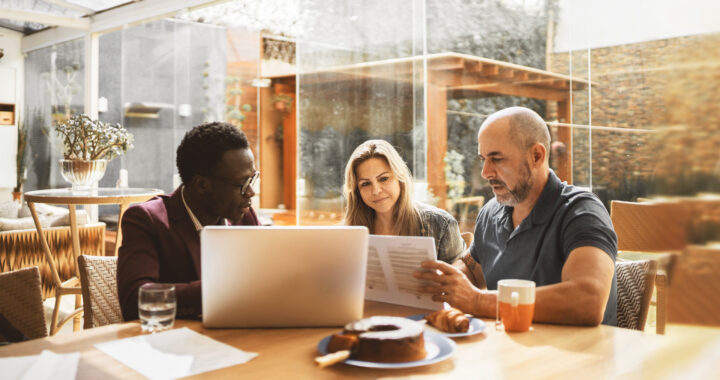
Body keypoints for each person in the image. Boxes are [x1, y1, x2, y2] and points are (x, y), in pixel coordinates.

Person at [415, 107, 618, 326]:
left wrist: (478, 301)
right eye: (483, 158)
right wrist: (436, 281)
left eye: (497, 159)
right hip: (510, 351)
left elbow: (588, 301)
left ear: (536, 156)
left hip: (579, 356)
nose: (485, 172)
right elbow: (473, 271)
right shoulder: (491, 212)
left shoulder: (582, 211)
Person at [117, 122, 261, 321]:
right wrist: (222, 288)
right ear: (202, 184)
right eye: (243, 183)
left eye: (252, 179)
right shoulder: (147, 220)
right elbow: (135, 300)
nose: (251, 192)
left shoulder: (244, 216)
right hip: (174, 344)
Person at [342, 139, 463, 264]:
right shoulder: (349, 232)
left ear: (400, 178)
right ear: (357, 191)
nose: (376, 190)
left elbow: (459, 281)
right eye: (365, 184)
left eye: (384, 179)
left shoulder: (441, 224)